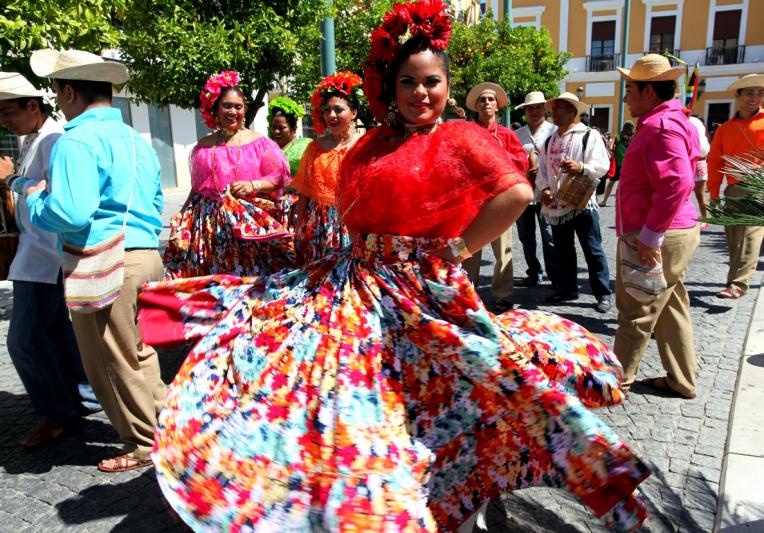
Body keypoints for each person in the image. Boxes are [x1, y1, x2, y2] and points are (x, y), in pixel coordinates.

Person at [137, 2, 650, 530]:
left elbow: (516, 193)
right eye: (408, 81)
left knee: (462, 384)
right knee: (338, 385)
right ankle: (357, 494)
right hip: (354, 283)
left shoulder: (457, 136)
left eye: (431, 81)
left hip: (421, 290)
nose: (420, 92)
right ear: (392, 86)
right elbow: (348, 207)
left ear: (447, 86)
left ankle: (456, 491)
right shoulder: (375, 143)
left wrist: (460, 247)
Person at [22, 49, 165, 472]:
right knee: (140, 354)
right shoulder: (135, 140)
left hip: (104, 261)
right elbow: (156, 200)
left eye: (56, 92)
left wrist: (32, 200)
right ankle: (172, 423)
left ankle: (143, 444)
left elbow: (69, 212)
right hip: (144, 254)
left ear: (68, 91)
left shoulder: (77, 140)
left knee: (108, 361)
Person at [0, 72, 100, 448]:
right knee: (56, 332)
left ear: (32, 106)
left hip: (44, 259)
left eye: (8, 112)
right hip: (37, 256)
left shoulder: (53, 140)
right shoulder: (36, 140)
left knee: (24, 341)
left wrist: (11, 181)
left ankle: (58, 411)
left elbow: (58, 202)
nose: (4, 121)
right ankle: (80, 398)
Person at [613, 54, 702, 400]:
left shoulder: (659, 125)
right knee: (672, 306)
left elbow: (678, 182)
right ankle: (682, 379)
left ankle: (613, 382)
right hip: (669, 230)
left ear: (648, 91)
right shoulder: (670, 120)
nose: (626, 98)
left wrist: (650, 236)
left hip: (656, 234)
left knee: (636, 309)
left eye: (630, 89)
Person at [164, 71, 293, 279]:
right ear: (215, 109)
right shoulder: (203, 146)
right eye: (227, 106)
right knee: (213, 281)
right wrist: (183, 211)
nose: (233, 111)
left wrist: (254, 185)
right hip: (208, 227)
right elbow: (198, 187)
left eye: (238, 106)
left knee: (248, 280)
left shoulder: (260, 143)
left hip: (245, 226)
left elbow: (280, 178)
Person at [707, 74, 764, 299]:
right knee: (734, 238)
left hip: (762, 188)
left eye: (760, 93)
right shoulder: (725, 129)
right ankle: (733, 282)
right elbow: (716, 162)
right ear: (737, 96)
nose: (755, 98)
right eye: (749, 93)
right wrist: (715, 193)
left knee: (751, 236)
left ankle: (738, 284)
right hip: (734, 189)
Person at [537, 92, 614, 313]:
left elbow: (602, 165)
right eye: (554, 108)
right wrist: (545, 188)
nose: (555, 112)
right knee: (563, 250)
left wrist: (581, 168)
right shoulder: (550, 140)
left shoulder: (589, 135)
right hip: (557, 206)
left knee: (593, 250)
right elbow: (542, 171)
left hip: (582, 203)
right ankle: (569, 288)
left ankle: (603, 293)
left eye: (560, 107)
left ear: (573, 110)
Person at [461, 82, 527, 312]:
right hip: (473, 203)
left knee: (504, 251)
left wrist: (497, 154)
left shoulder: (507, 135)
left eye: (490, 99)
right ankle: (468, 292)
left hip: (501, 202)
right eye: (482, 100)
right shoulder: (469, 134)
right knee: (468, 249)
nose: (486, 103)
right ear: (476, 106)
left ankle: (503, 295)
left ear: (497, 106)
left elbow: (522, 161)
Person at [292, 71, 362, 265]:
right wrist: (298, 231)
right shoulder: (314, 147)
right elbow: (304, 193)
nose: (331, 115)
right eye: (326, 110)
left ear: (354, 112)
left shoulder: (364, 146)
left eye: (338, 110)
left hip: (353, 226)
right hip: (317, 227)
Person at [513, 90, 558, 287]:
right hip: (524, 193)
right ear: (525, 111)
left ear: (544, 109)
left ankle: (554, 275)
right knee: (525, 236)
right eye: (530, 108)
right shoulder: (517, 135)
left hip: (546, 192)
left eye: (538, 107)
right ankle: (533, 271)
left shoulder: (554, 131)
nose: (534, 111)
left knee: (549, 236)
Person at [269, 95, 312, 177]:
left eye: (282, 128)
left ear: (294, 128)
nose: (276, 131)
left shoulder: (305, 146)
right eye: (274, 127)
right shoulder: (267, 147)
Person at [600, 120, 634, 207]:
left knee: (611, 183)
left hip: (618, 165)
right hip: (629, 166)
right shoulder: (634, 138)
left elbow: (611, 148)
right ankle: (626, 202)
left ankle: (604, 201)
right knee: (627, 185)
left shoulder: (617, 137)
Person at [686, 112, 711, 224]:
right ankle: (703, 218)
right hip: (699, 163)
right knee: (697, 194)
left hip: (697, 163)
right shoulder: (704, 132)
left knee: (698, 194)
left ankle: (705, 219)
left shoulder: (698, 130)